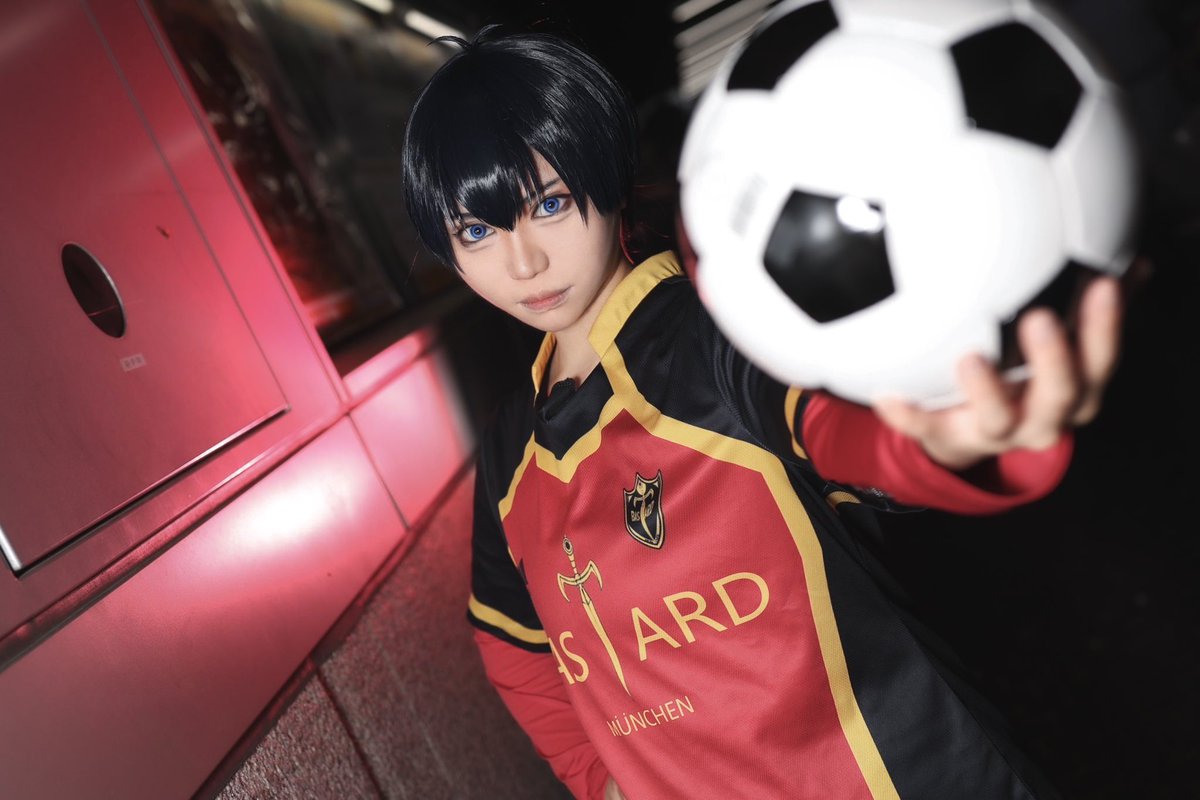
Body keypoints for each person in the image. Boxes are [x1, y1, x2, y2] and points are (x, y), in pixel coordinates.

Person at [400, 26, 1125, 800]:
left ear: (607, 176)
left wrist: (942, 443)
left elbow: (836, 433)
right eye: (476, 231)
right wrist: (598, 778)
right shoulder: (511, 451)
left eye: (549, 204)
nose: (523, 263)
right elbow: (513, 642)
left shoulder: (723, 328)